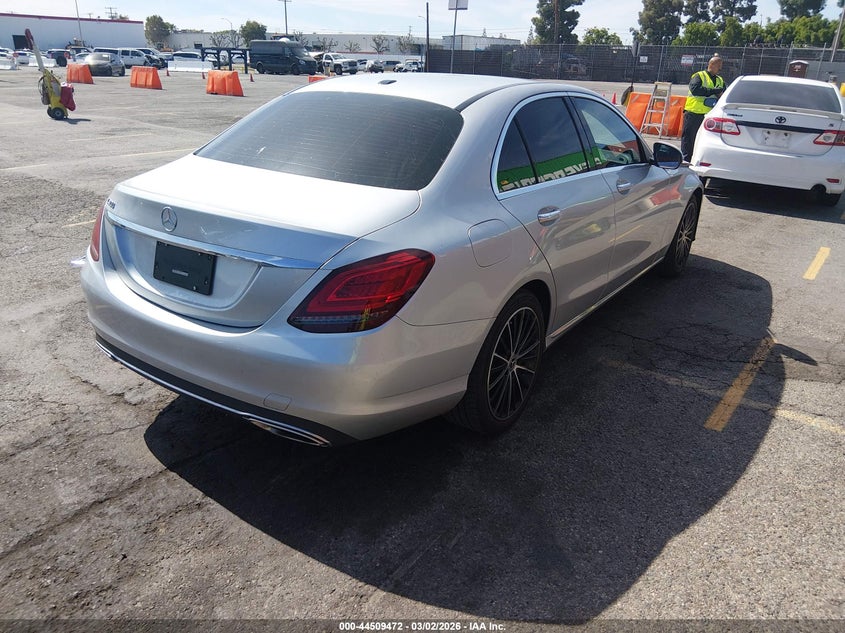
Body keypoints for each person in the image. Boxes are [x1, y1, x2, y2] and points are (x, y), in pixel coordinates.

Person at [681, 55, 725, 163]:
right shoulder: (699, 76)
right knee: (688, 140)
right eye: (718, 66)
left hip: (709, 116)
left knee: (703, 140)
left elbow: (723, 92)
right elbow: (695, 90)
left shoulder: (720, 80)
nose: (720, 69)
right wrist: (714, 91)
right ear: (712, 64)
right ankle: (686, 161)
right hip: (693, 113)